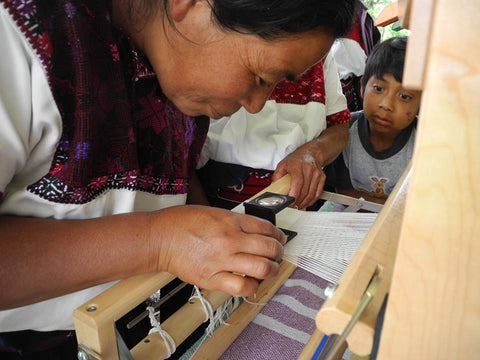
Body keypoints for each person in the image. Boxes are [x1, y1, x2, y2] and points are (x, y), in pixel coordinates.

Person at [0, 0, 355, 358]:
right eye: (262, 77)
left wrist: (208, 240)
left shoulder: (178, 75)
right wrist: (159, 242)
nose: (257, 104)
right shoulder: (18, 33)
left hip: (144, 331)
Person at [197, 50, 351, 211]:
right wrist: (202, 215)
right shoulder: (216, 49)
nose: (255, 106)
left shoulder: (320, 53)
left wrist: (311, 153)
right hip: (219, 194)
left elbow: (339, 128)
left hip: (298, 198)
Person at [325, 36, 421, 205]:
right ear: (362, 87)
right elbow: (343, 191)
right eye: (378, 88)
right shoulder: (343, 131)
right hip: (349, 215)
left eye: (404, 96)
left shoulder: (424, 141)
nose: (386, 105)